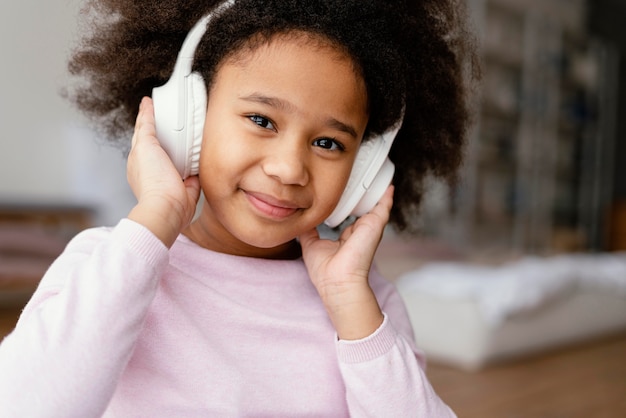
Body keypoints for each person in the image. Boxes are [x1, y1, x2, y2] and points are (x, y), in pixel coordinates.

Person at [0, 0, 475, 416]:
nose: (289, 168)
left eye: (329, 142)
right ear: (189, 119)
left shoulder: (366, 306)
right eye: (261, 119)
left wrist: (351, 305)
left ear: (364, 173)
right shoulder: (109, 263)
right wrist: (155, 219)